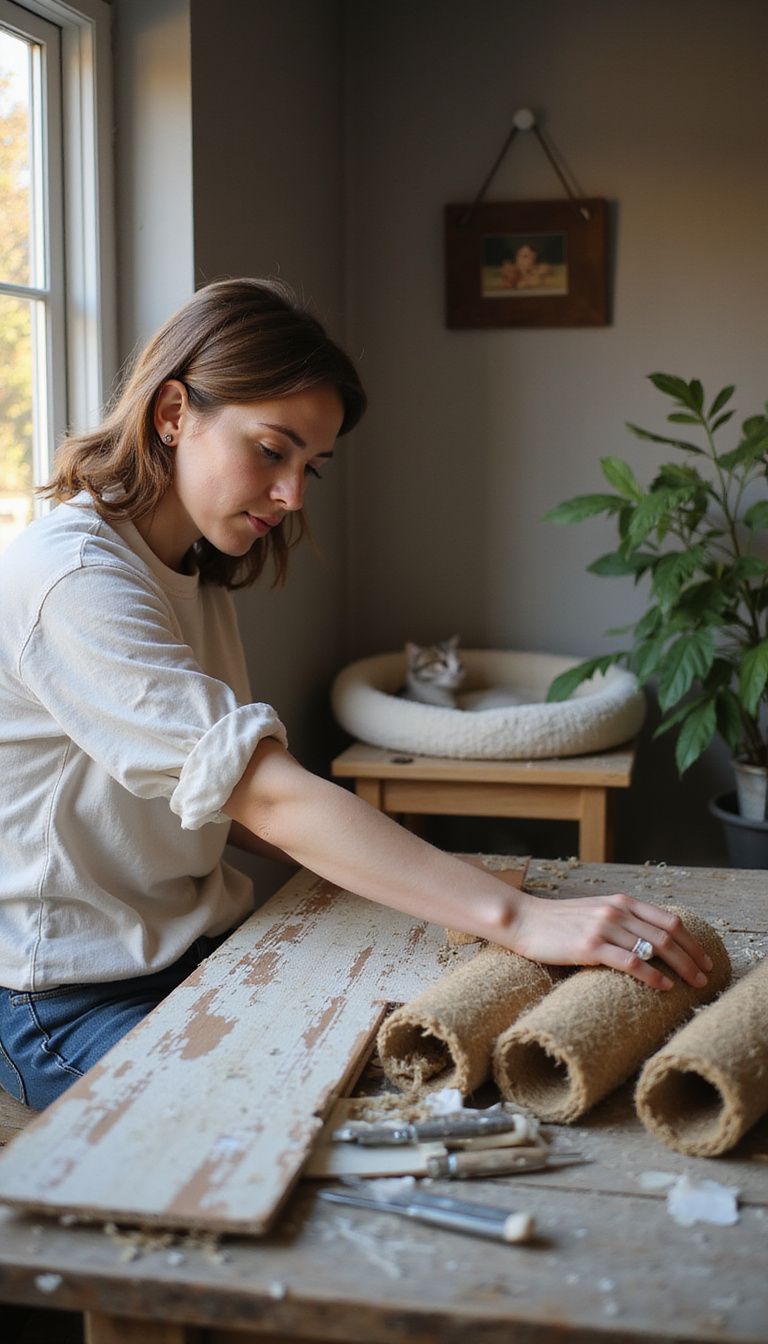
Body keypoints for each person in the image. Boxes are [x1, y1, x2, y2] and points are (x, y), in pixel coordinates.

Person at [0, 277, 712, 1111]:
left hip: (203, 946)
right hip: (67, 998)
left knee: (431, 1092)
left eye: (312, 466)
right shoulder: (76, 580)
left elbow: (228, 802)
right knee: (304, 1132)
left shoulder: (193, 574)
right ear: (171, 415)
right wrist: (515, 919)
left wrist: (454, 882)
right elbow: (263, 796)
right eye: (272, 449)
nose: (293, 494)